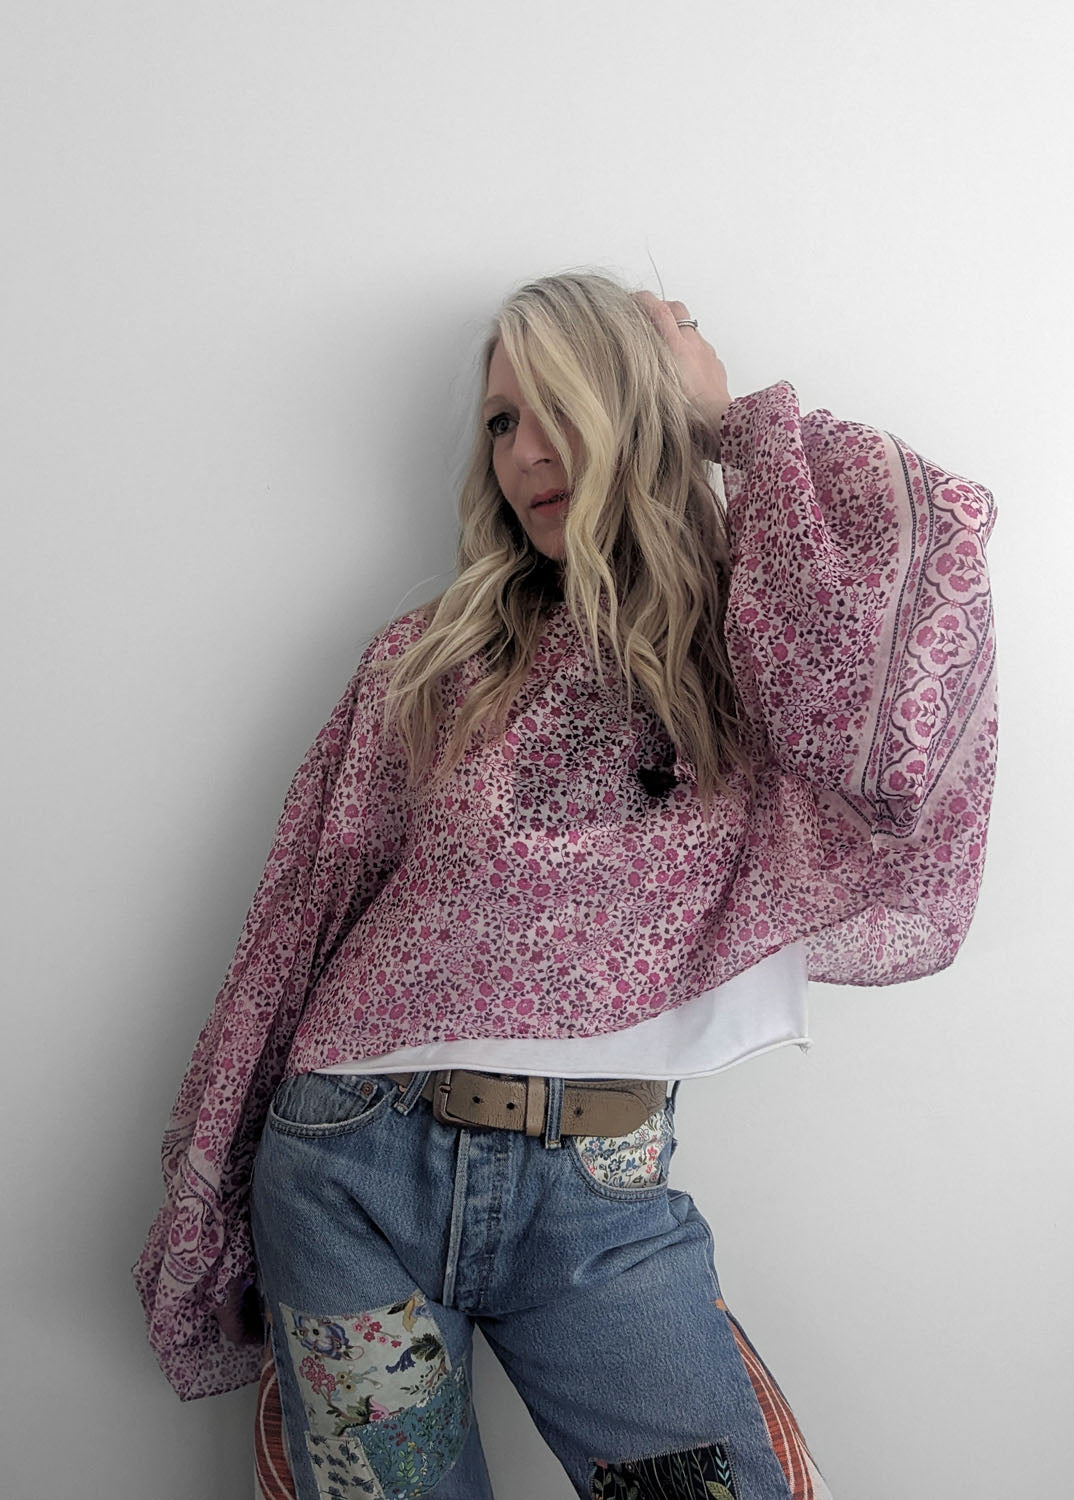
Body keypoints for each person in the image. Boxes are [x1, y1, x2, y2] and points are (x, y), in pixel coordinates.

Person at [134, 271, 998, 1500]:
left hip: (598, 1202)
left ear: (642, 409)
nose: (526, 454)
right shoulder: (435, 655)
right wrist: (211, 1173)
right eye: (500, 420)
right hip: (349, 1170)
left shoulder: (755, 635)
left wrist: (728, 417)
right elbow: (302, 910)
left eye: (566, 408)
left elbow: (904, 683)